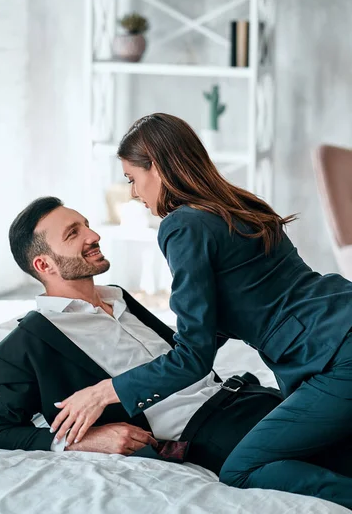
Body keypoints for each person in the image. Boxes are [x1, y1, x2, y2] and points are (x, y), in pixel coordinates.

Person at [54, 114, 352, 510]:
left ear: (156, 168)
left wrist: (102, 392)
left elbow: (195, 356)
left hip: (336, 354)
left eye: (131, 178)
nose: (133, 194)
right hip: (339, 318)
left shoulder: (181, 226)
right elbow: (243, 301)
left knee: (241, 470)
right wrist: (162, 356)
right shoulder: (236, 203)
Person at [0, 196, 280, 475]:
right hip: (207, 429)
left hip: (245, 394)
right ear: (44, 265)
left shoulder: (118, 296)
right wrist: (87, 440)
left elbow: (187, 350)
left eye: (86, 224)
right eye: (73, 233)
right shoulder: (26, 344)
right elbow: (0, 431)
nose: (93, 235)